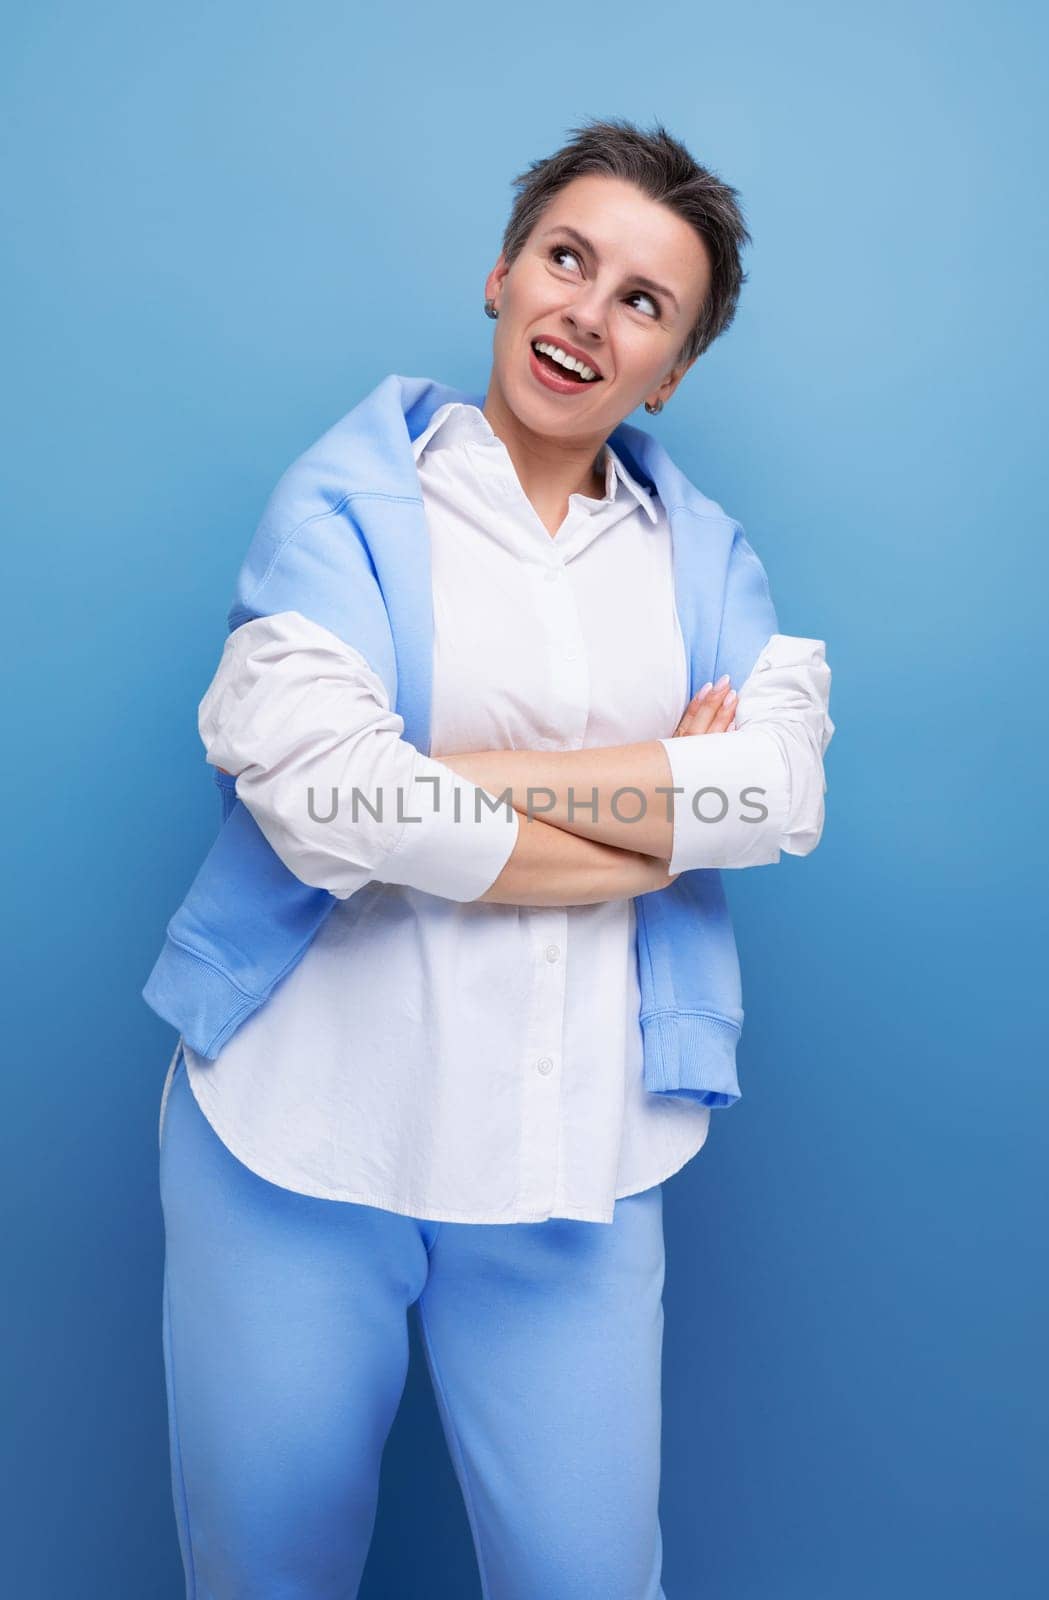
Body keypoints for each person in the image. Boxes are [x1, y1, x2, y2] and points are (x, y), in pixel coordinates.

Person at [153, 116, 835, 1599]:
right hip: (296, 1144)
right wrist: (648, 820)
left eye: (644, 300)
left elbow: (773, 792)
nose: (589, 312)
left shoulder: (701, 563)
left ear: (675, 365)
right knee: (260, 1577)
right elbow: (328, 802)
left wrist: (451, 785)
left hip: (569, 1166)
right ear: (502, 273)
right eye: (567, 258)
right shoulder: (347, 500)